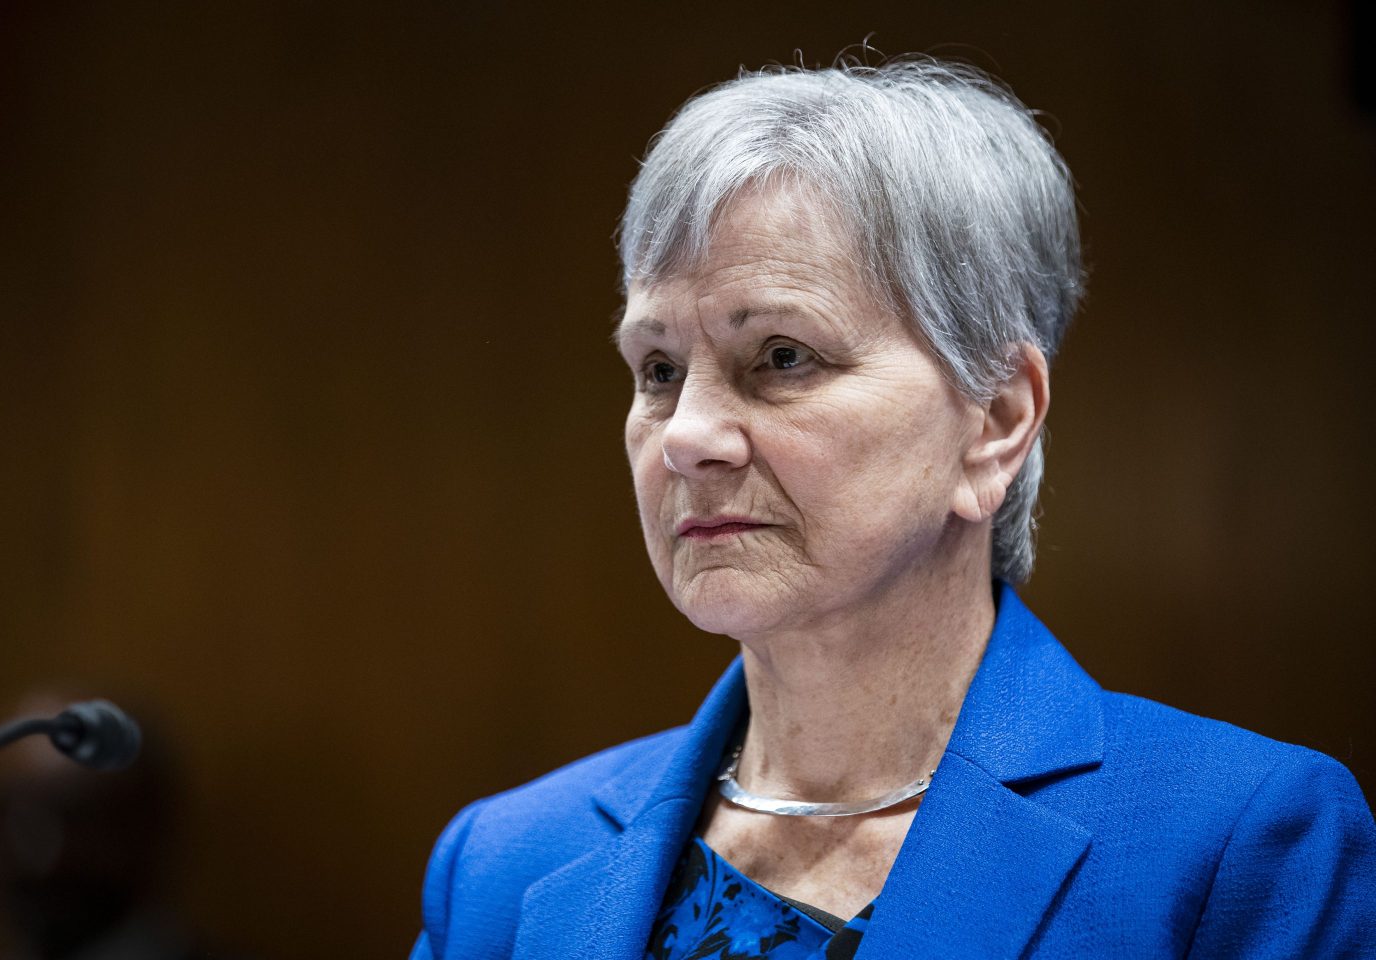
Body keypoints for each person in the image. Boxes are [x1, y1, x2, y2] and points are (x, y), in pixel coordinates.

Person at [411, 57, 1376, 959]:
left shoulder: (1238, 846)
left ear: (996, 419)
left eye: (782, 356)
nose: (686, 435)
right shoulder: (501, 862)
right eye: (658, 370)